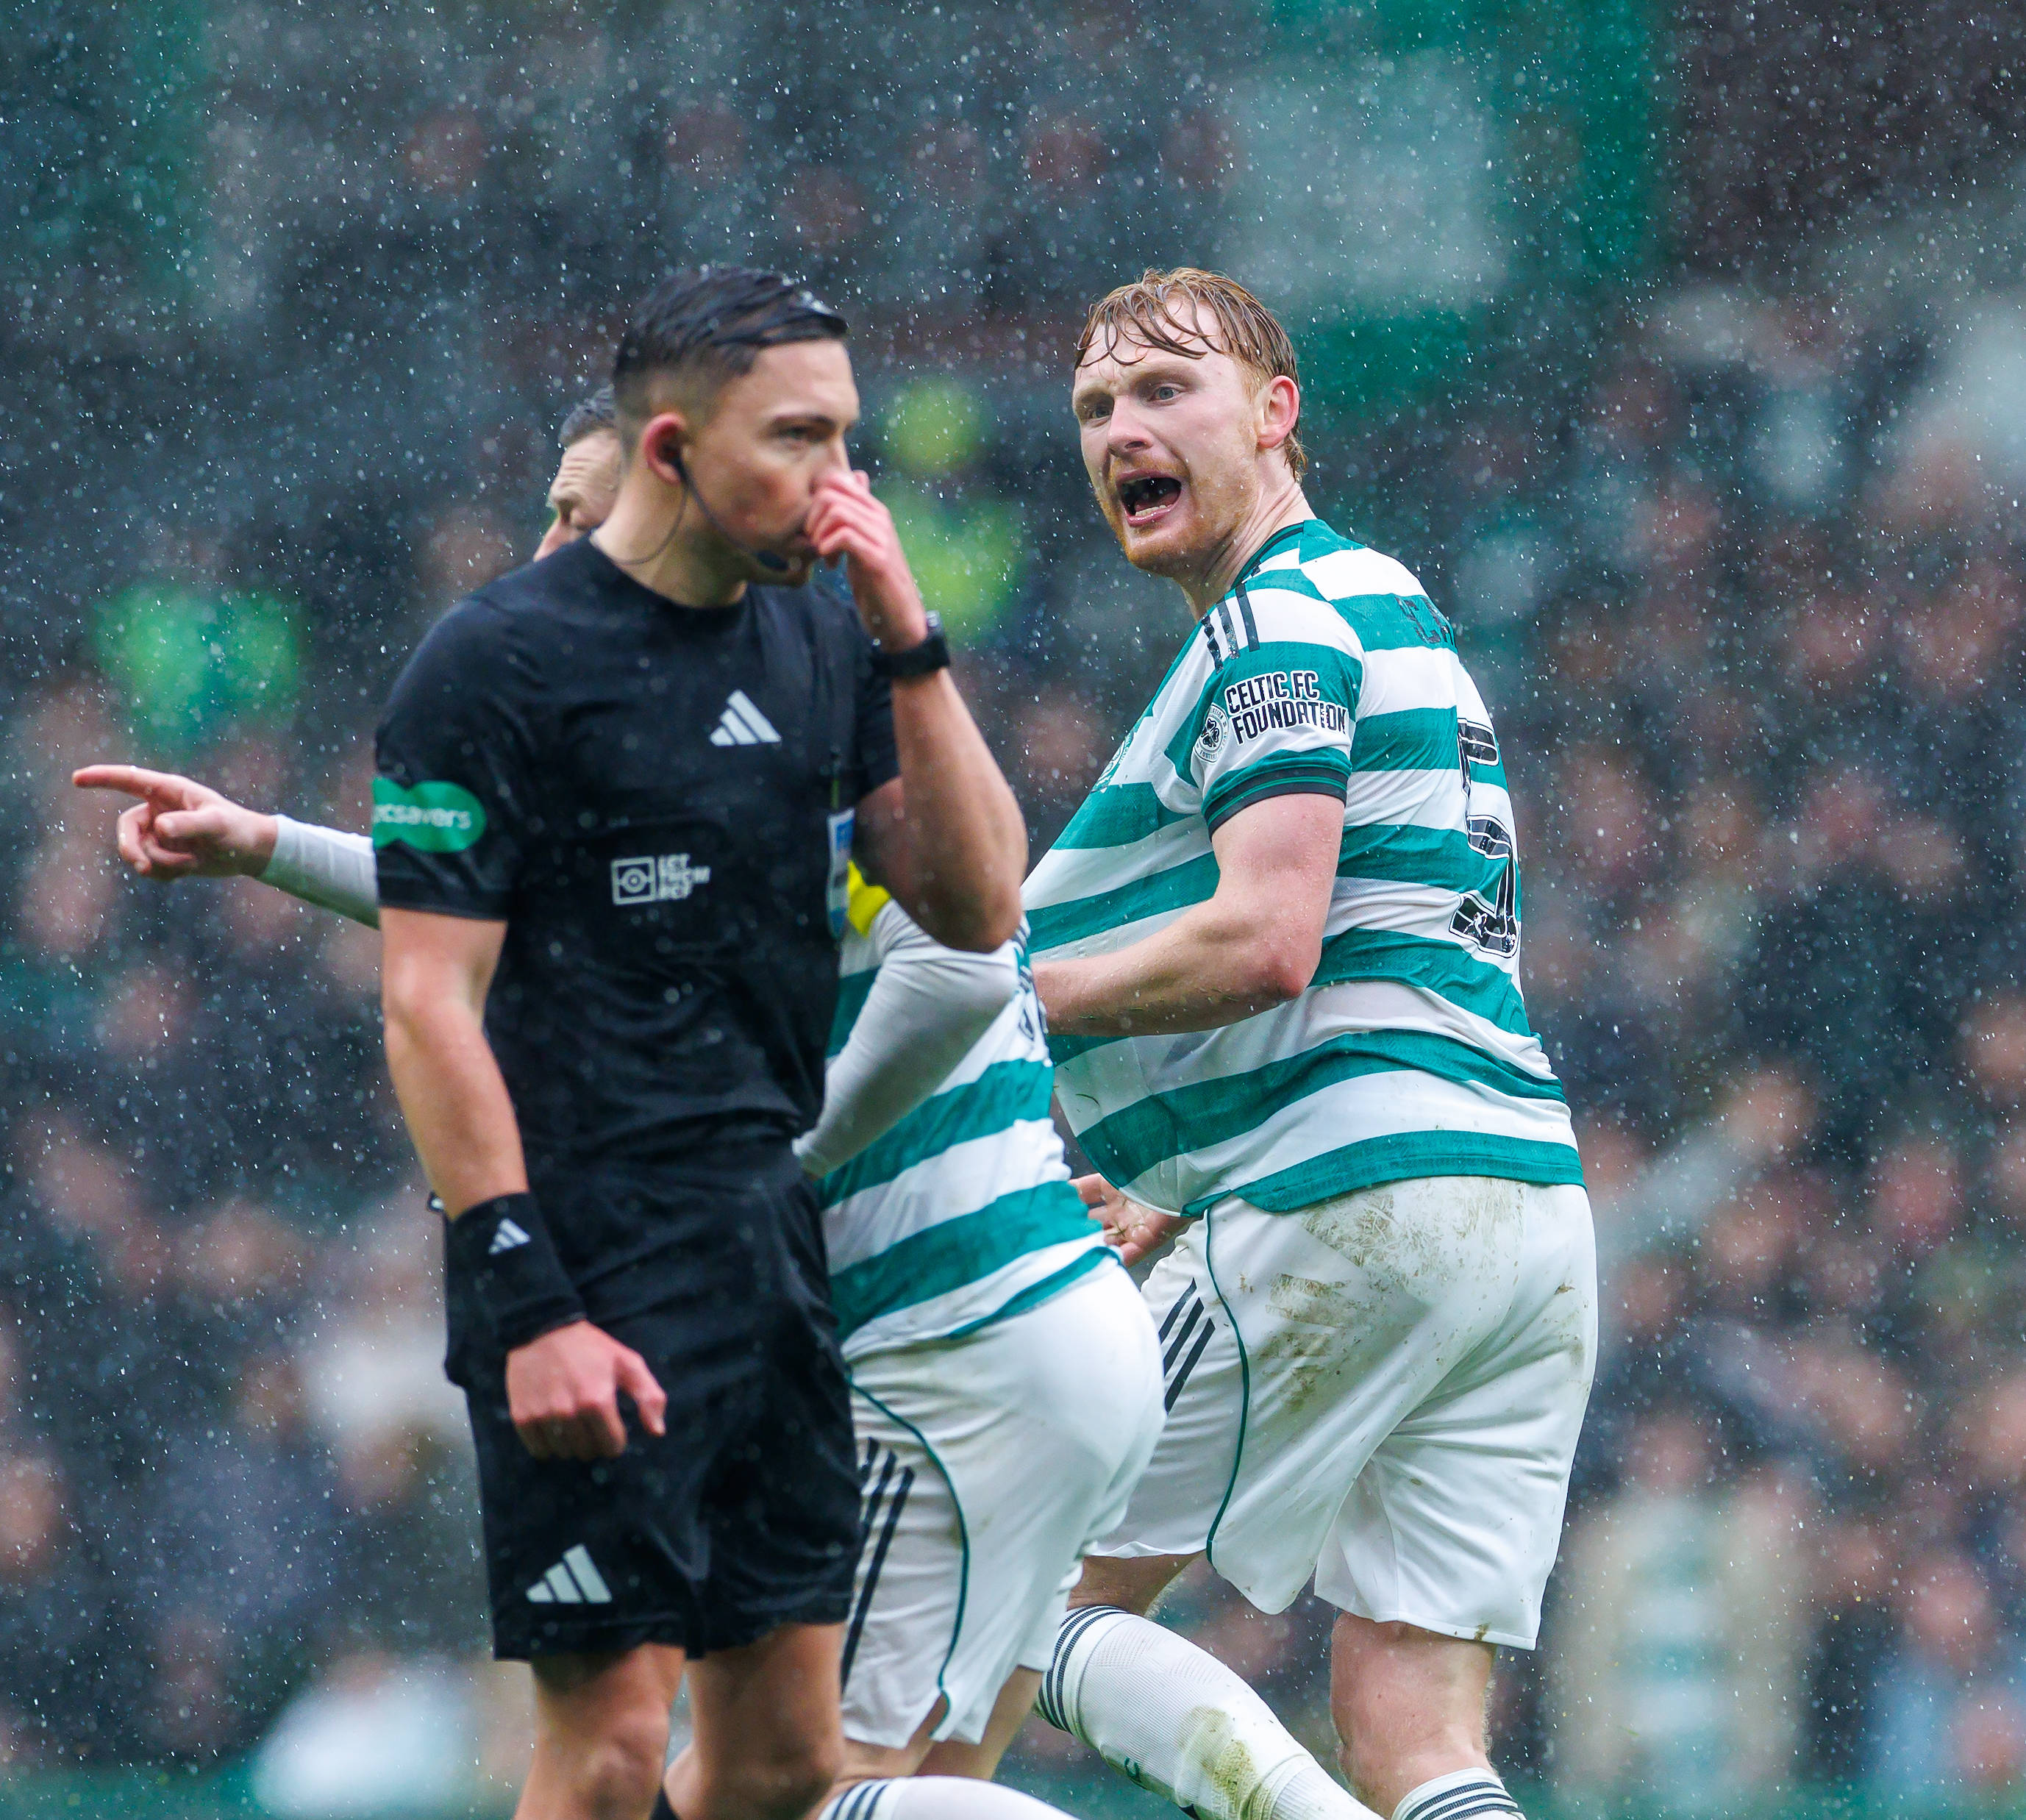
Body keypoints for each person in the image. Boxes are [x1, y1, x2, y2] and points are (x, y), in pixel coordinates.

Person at [82, 292, 1158, 1820]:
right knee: (601, 1746)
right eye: (801, 436)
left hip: (775, 1267)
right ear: (676, 448)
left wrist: (908, 633)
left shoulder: (817, 633)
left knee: (783, 1765)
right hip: (589, 1262)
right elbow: (431, 997)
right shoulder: (491, 665)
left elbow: (982, 915)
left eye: (846, 433)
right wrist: (529, 1302)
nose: (840, 472)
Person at [1024, 268, 1595, 1820]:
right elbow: (1373, 960)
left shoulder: (1275, 613)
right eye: (1094, 406)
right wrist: (1197, 1177)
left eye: (1162, 391)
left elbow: (1266, 934)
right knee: (1411, 1712)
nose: (1120, 429)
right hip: (1527, 1212)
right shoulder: (1386, 598)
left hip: (1362, 1193)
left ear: (1277, 413)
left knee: (1005, 1595)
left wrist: (1027, 996)